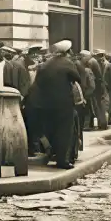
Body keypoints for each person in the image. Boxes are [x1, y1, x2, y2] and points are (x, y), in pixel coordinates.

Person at [32, 40, 82, 168]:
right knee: (65, 131)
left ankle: (52, 154)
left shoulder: (45, 64)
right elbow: (77, 78)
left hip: (46, 103)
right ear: (67, 52)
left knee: (52, 129)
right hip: (64, 102)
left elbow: (38, 82)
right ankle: (62, 160)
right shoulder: (67, 63)